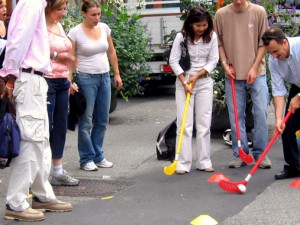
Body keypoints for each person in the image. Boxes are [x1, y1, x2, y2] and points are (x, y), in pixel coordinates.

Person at [0, 0, 72, 222]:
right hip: (29, 78)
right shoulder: (32, 3)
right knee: (31, 140)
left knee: (39, 139)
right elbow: (18, 41)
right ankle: (16, 201)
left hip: (35, 78)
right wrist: (9, 76)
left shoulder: (34, 3)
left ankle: (41, 194)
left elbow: (25, 43)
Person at [214, 0, 272, 169]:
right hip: (232, 74)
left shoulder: (259, 11)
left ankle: (261, 154)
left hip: (257, 72)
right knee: (236, 116)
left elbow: (264, 43)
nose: (238, 1)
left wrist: (254, 68)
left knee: (260, 112)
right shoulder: (221, 14)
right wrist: (225, 65)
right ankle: (240, 153)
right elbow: (218, 43)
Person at [68, 0, 123, 171]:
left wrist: (117, 73)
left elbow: (111, 51)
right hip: (86, 78)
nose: (97, 18)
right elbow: (70, 58)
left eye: (99, 14)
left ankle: (98, 155)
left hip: (104, 77)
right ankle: (86, 158)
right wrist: (69, 81)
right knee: (86, 120)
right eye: (93, 14)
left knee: (103, 119)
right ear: (84, 13)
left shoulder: (105, 28)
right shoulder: (75, 32)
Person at [169, 6, 219, 174]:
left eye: (204, 25)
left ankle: (204, 161)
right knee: (185, 123)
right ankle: (183, 163)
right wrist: (184, 81)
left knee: (204, 124)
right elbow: (174, 61)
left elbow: (213, 61)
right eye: (198, 26)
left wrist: (196, 77)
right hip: (184, 82)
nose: (201, 29)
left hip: (203, 82)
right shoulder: (181, 37)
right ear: (190, 24)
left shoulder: (212, 37)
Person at [45, 0, 79, 186]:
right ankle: (40, 173)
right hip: (46, 79)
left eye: (65, 9)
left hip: (61, 81)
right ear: (49, 8)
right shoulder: (40, 27)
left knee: (60, 125)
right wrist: (60, 57)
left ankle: (57, 170)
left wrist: (68, 79)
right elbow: (39, 51)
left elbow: (68, 56)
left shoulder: (59, 25)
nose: (63, 13)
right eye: (59, 9)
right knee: (46, 127)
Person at [262, 28, 300, 179]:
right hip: (297, 86)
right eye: (270, 53)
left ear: (284, 42)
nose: (274, 56)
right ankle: (294, 167)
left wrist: (299, 96)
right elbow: (278, 91)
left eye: (276, 51)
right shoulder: (274, 60)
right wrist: (278, 119)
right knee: (287, 127)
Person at [0, 0, 8, 168]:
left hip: (7, 76)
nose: (5, 9)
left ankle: (4, 151)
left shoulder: (8, 24)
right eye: (1, 7)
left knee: (5, 115)